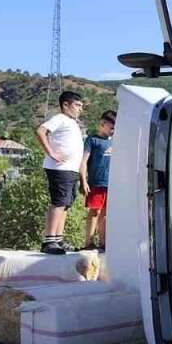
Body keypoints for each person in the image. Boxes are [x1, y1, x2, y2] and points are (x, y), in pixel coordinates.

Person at [34, 91, 85, 254]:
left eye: (81, 106)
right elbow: (40, 131)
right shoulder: (60, 118)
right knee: (59, 202)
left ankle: (58, 239)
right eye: (77, 105)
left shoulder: (73, 122)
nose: (80, 109)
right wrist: (51, 153)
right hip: (59, 168)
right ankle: (49, 241)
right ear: (65, 105)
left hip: (71, 169)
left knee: (66, 204)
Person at [81, 110, 116, 251]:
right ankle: (88, 242)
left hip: (112, 185)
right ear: (103, 124)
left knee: (106, 214)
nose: (113, 131)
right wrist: (83, 180)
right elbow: (83, 161)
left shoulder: (115, 141)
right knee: (94, 212)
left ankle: (103, 243)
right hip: (96, 184)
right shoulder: (92, 140)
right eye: (111, 128)